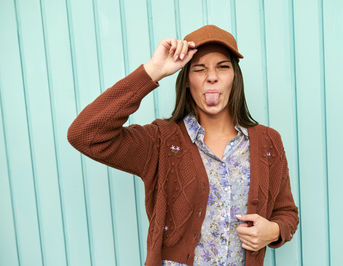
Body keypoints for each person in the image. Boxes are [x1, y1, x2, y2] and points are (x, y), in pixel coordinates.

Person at [67, 24, 299, 266]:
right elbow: (85, 134)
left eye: (223, 67)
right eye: (199, 69)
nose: (212, 76)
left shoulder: (268, 141)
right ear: (187, 81)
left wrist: (273, 231)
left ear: (234, 77)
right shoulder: (161, 142)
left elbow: (287, 214)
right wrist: (153, 71)